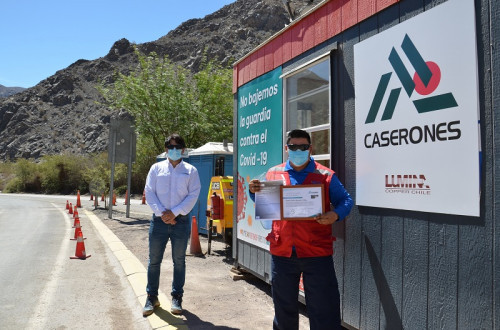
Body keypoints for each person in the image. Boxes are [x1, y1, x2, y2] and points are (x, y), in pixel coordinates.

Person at [249, 129, 353, 330]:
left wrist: (335, 215)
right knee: (284, 309)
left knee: (324, 309)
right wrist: (254, 193)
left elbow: (346, 201)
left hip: (316, 252)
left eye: (303, 147)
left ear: (310, 149)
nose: (298, 150)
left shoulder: (325, 175)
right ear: (286, 149)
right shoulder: (273, 173)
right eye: (293, 147)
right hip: (283, 252)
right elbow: (267, 206)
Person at [143, 133, 201, 317]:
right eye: (170, 147)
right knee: (154, 261)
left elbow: (193, 195)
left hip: (181, 222)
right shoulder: (156, 168)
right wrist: (163, 213)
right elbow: (149, 192)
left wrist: (174, 213)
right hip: (159, 221)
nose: (174, 150)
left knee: (179, 261)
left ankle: (177, 297)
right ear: (166, 149)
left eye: (178, 147)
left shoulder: (191, 171)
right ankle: (152, 297)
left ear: (183, 150)